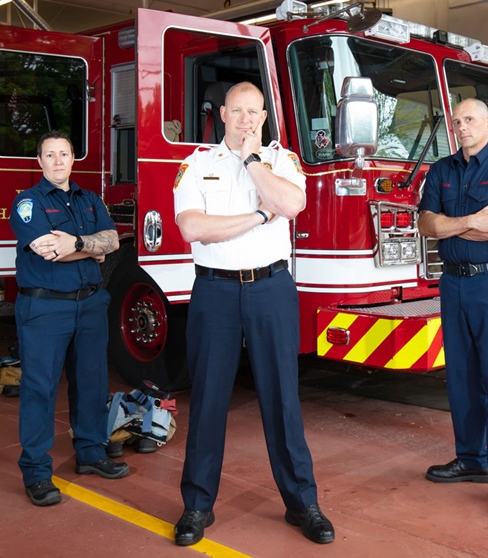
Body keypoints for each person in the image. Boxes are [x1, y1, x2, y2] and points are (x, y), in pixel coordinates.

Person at [171, 82, 334, 545]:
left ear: (264, 117)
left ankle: (302, 504)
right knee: (207, 400)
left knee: (282, 397)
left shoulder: (282, 161)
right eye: (237, 111)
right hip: (215, 293)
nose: (245, 120)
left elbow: (292, 204)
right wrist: (259, 218)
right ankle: (197, 506)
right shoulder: (197, 164)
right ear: (222, 113)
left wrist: (252, 162)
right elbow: (193, 228)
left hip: (271, 289)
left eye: (254, 113)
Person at [417, 97, 488, 518]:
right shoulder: (441, 170)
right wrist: (469, 223)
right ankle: (471, 459)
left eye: (469, 120)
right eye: (457, 120)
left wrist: (450, 227)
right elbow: (426, 224)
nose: (461, 126)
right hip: (454, 284)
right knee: (461, 377)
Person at [10, 130, 127, 507]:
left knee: (91, 383)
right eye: (50, 154)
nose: (58, 161)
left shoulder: (90, 199)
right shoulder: (27, 203)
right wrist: (91, 248)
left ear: (74, 158)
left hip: (90, 305)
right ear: (40, 161)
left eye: (64, 153)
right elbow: (47, 251)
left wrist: (76, 243)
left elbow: (112, 241)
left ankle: (91, 453)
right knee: (40, 390)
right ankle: (37, 472)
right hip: (45, 309)